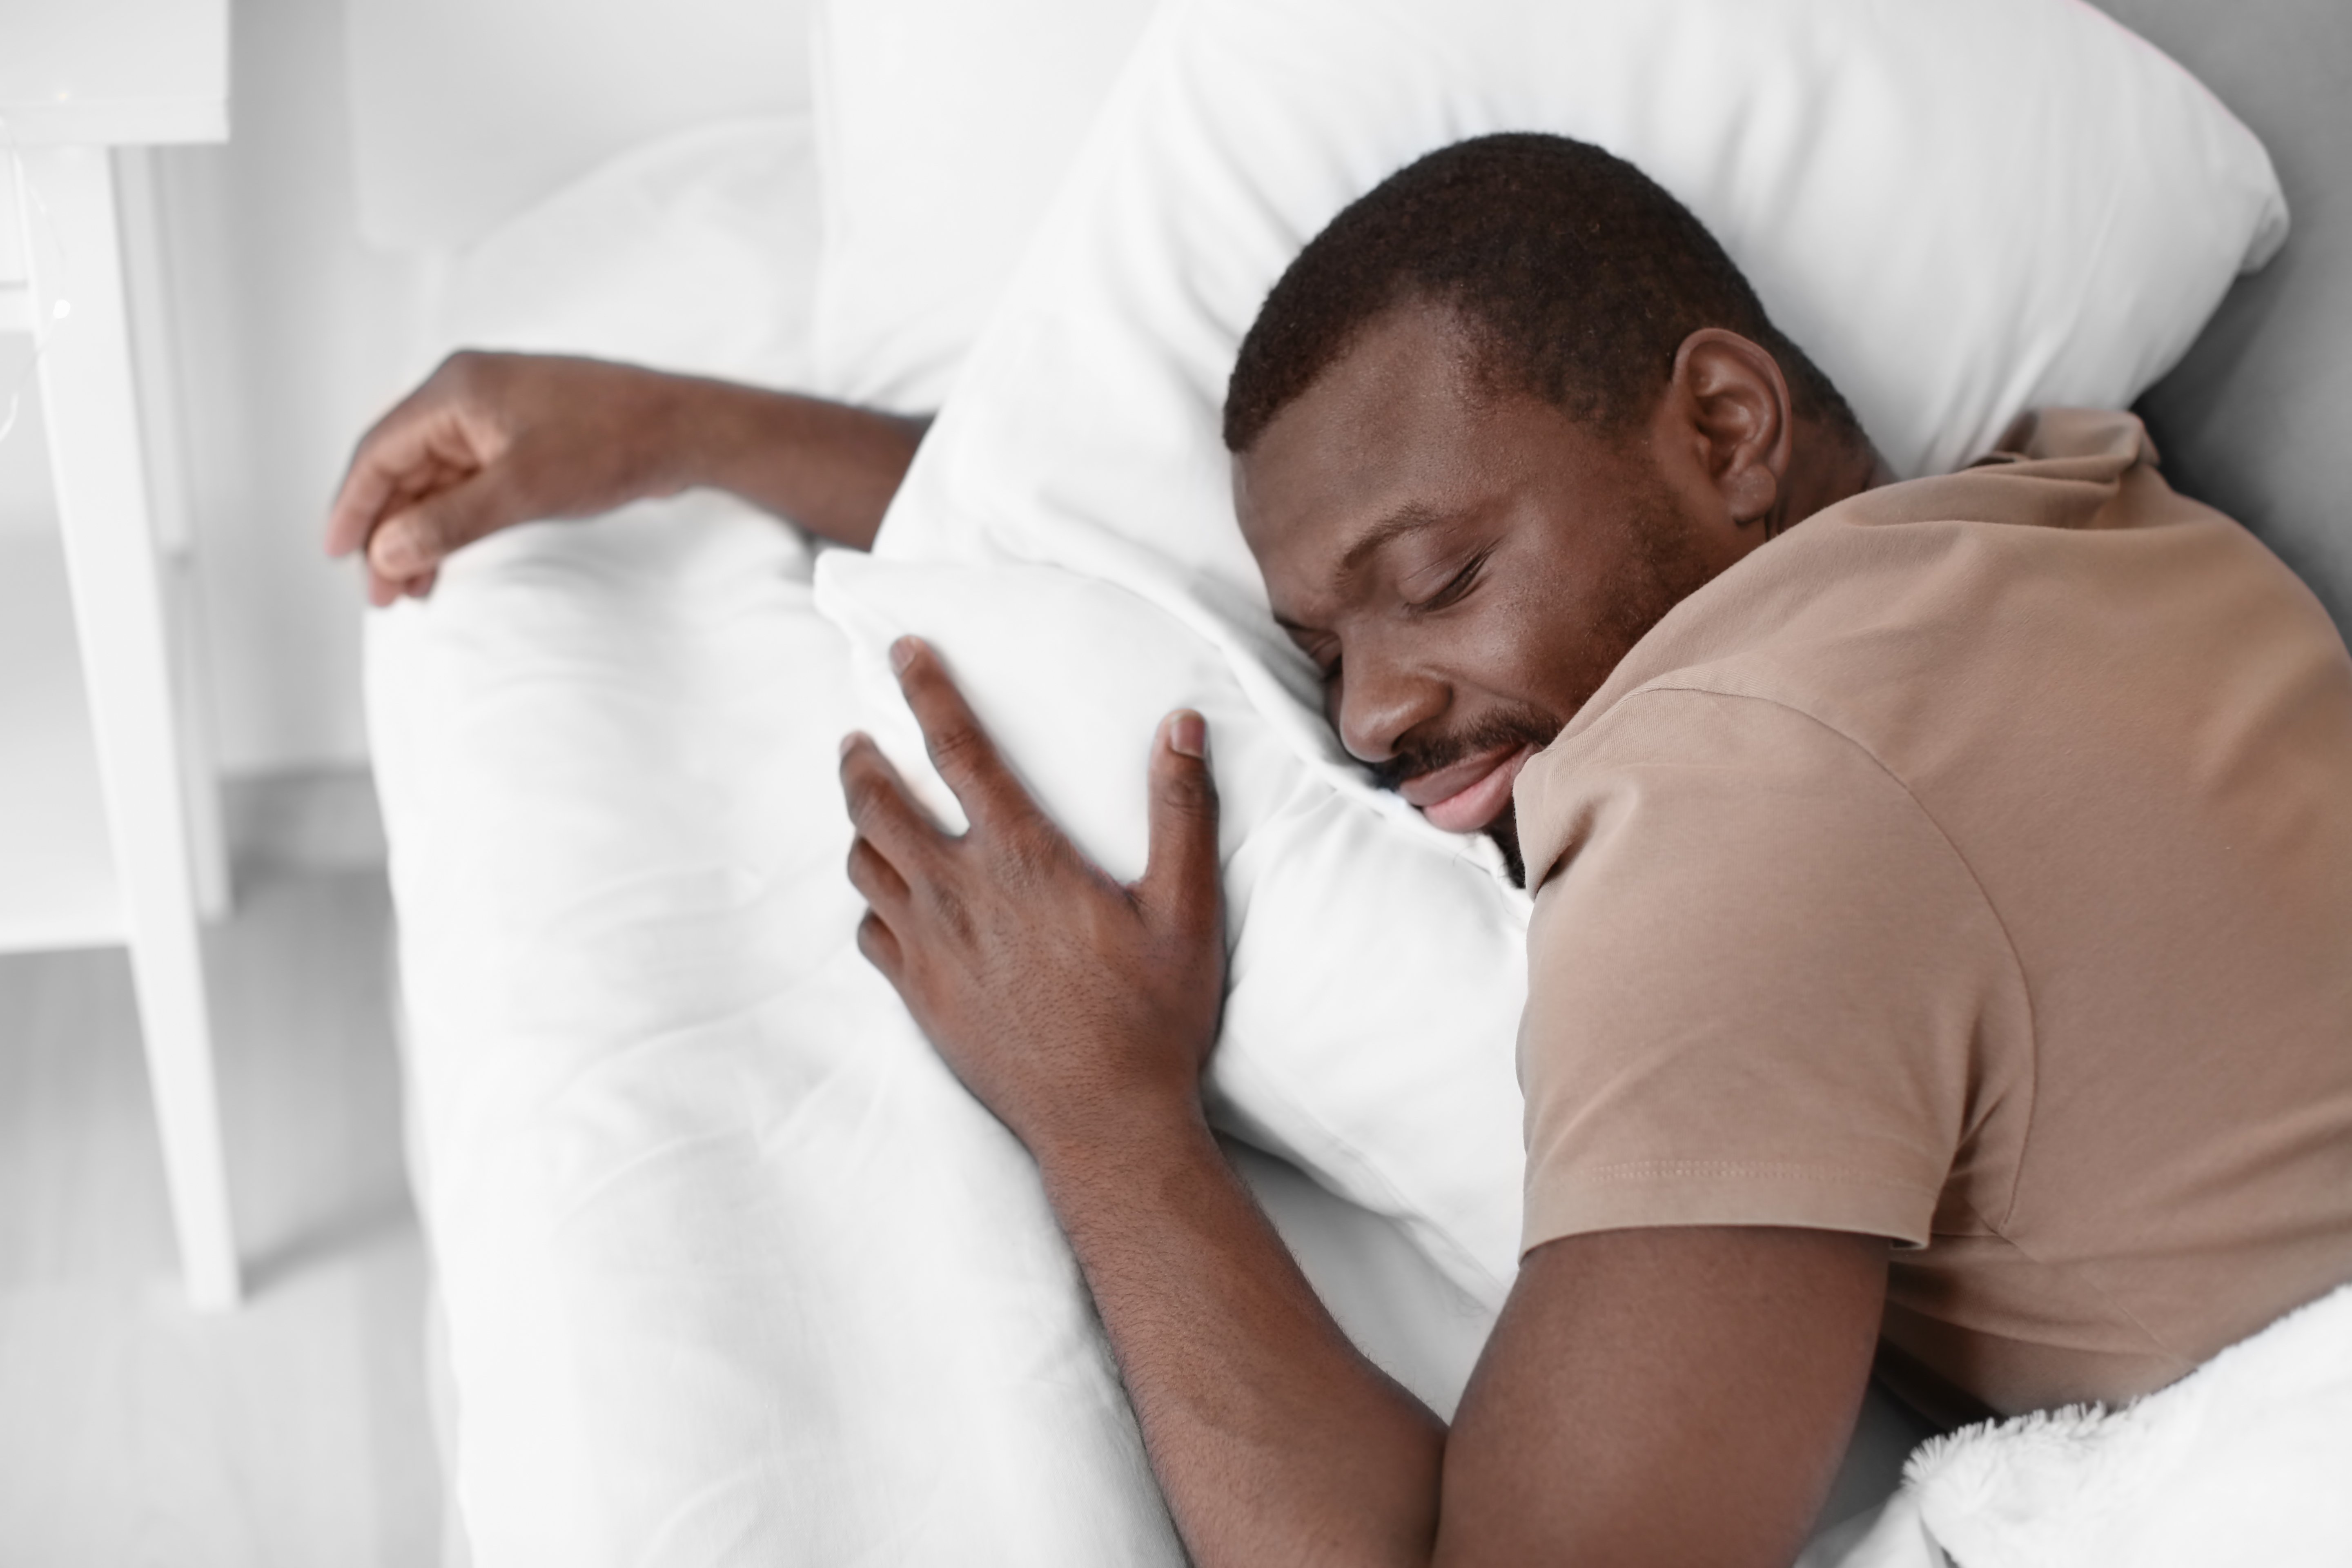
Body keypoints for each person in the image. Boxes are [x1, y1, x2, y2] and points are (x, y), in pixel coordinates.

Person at [330, 133, 2352, 1567]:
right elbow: (1139, 591)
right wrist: (681, 428)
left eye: (1439, 579)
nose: (1373, 717)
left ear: (1726, 430)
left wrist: (1105, 1114)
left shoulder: (1752, 803)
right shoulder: (2073, 513)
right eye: (1328, 650)